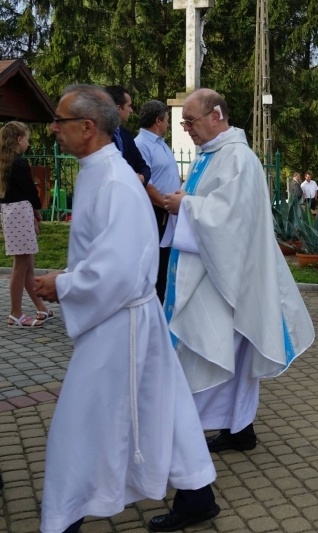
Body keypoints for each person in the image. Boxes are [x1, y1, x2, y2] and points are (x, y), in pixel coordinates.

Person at [34, 84, 218, 533]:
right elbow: (107, 252)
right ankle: (197, 496)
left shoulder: (115, 181)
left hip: (121, 323)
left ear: (87, 127)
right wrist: (72, 273)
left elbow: (119, 271)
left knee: (77, 425)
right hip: (127, 318)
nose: (53, 129)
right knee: (165, 408)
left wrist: (65, 284)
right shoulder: (100, 170)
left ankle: (64, 518)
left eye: (60, 121)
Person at [163, 88, 314, 453]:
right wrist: (186, 205)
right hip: (212, 270)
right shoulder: (210, 155)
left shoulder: (238, 159)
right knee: (226, 355)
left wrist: (186, 205)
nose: (187, 129)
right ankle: (238, 428)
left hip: (229, 276)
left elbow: (231, 219)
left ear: (216, 115)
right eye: (183, 122)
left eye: (191, 121)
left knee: (209, 351)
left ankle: (193, 438)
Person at [0, 121, 53, 327]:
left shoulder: (5, 163)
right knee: (20, 266)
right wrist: (37, 212)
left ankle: (41, 307)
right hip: (21, 212)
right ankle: (16, 313)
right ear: (18, 139)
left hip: (11, 213)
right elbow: (30, 192)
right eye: (27, 139)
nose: (28, 143)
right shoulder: (19, 163)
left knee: (28, 265)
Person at [134, 100, 182, 302]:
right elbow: (146, 185)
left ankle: (164, 312)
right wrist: (166, 205)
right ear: (158, 120)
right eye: (167, 120)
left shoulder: (161, 144)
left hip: (170, 212)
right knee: (156, 269)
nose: (168, 124)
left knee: (167, 267)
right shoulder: (141, 145)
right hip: (158, 213)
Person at [104, 85, 151, 186]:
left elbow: (144, 167)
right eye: (129, 106)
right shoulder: (100, 136)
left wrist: (141, 178)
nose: (131, 110)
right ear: (118, 108)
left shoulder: (126, 135)